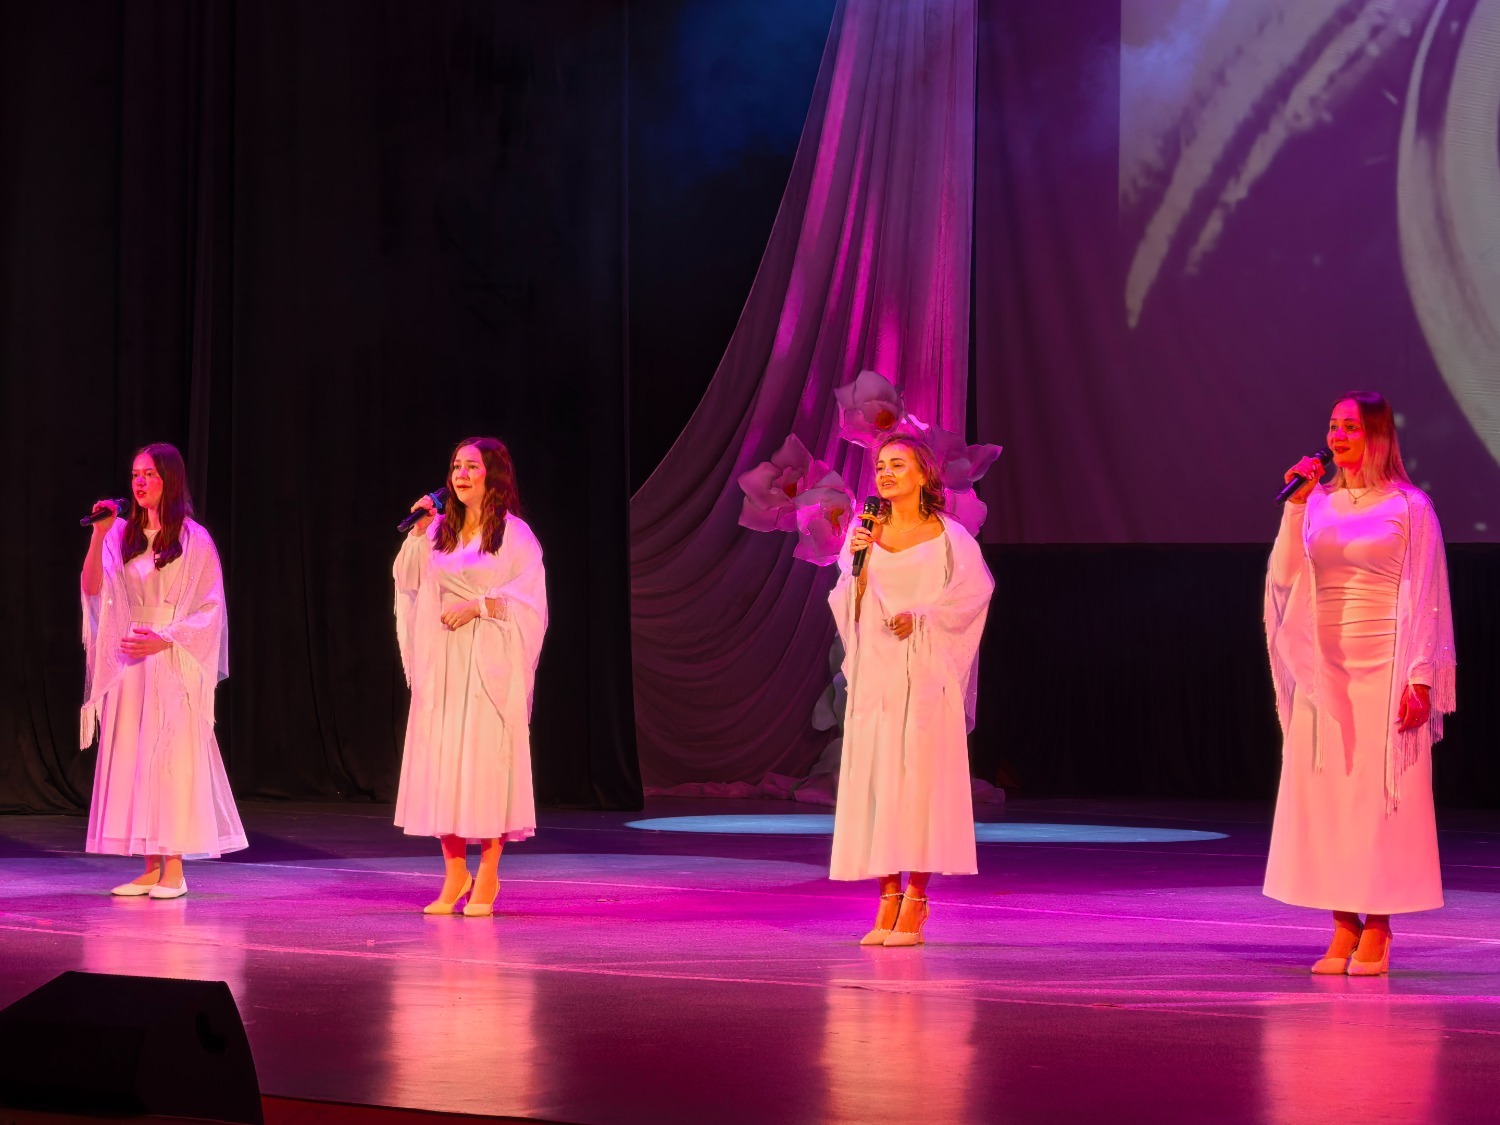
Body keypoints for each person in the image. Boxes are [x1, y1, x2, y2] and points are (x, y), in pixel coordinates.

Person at [1264, 391, 1456, 975]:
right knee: (1330, 799)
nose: (1338, 436)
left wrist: (1421, 676)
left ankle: (1379, 927)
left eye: (1350, 426)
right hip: (1325, 668)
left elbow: (1427, 594)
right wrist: (1297, 505)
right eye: (1332, 426)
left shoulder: (1410, 506)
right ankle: (1343, 924)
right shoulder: (1316, 501)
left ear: (1377, 435)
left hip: (1385, 663)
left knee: (1379, 800)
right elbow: (1284, 577)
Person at [828, 433, 994, 946]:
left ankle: (916, 899)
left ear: (923, 474)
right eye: (880, 465)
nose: (885, 473)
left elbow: (974, 596)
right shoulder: (864, 532)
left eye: (897, 464)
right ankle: (886, 896)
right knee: (878, 779)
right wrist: (855, 570)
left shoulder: (949, 536)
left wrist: (923, 618)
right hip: (877, 673)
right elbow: (846, 600)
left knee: (919, 779)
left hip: (924, 673)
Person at [80, 442, 246, 897]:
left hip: (171, 657)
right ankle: (151, 866)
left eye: (149, 474)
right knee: (138, 759)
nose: (140, 482)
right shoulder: (121, 535)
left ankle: (174, 868)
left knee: (169, 758)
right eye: (135, 474)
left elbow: (211, 608)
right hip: (131, 659)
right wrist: (99, 534)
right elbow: (92, 588)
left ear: (169, 479)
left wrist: (166, 638)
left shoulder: (194, 539)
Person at [394, 437, 547, 916]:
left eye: (472, 467)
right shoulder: (440, 530)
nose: (460, 474)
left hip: (489, 663)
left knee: (485, 765)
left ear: (492, 475)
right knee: (445, 765)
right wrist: (418, 531)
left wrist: (478, 606)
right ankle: (455, 872)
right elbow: (408, 581)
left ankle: (489, 873)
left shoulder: (514, 534)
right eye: (456, 466)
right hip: (445, 660)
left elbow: (530, 602)